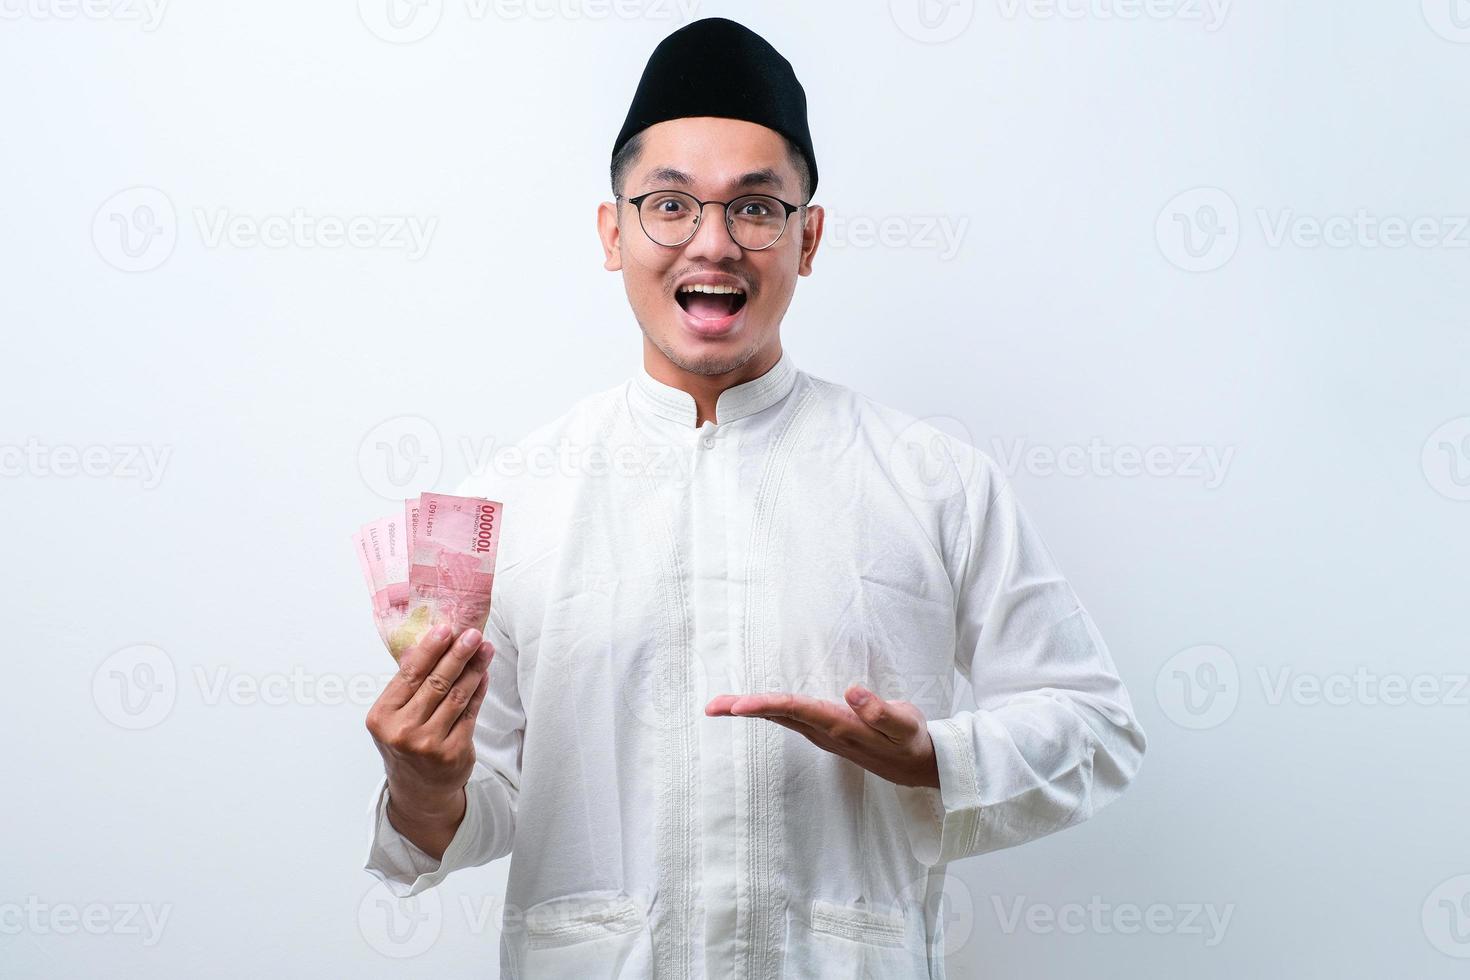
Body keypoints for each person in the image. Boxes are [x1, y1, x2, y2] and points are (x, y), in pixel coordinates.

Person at [363, 16, 1146, 979]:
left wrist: (936, 758)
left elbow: (1098, 727)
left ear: (807, 237)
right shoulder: (513, 502)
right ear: (614, 233)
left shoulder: (933, 479)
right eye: (670, 205)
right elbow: (474, 810)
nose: (715, 243)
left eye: (757, 209)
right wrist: (424, 782)